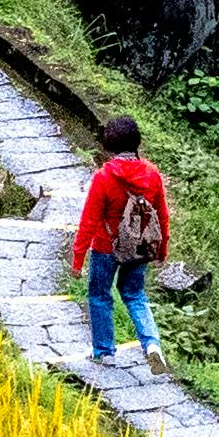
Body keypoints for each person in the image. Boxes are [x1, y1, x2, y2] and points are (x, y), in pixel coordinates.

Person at [65, 136, 173, 369]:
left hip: (106, 246)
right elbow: (162, 215)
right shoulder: (152, 175)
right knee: (135, 295)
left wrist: (77, 259)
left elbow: (89, 220)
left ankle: (105, 353)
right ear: (137, 143)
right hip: (139, 246)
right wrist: (161, 250)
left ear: (110, 145)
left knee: (100, 295)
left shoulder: (104, 177)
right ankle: (152, 345)